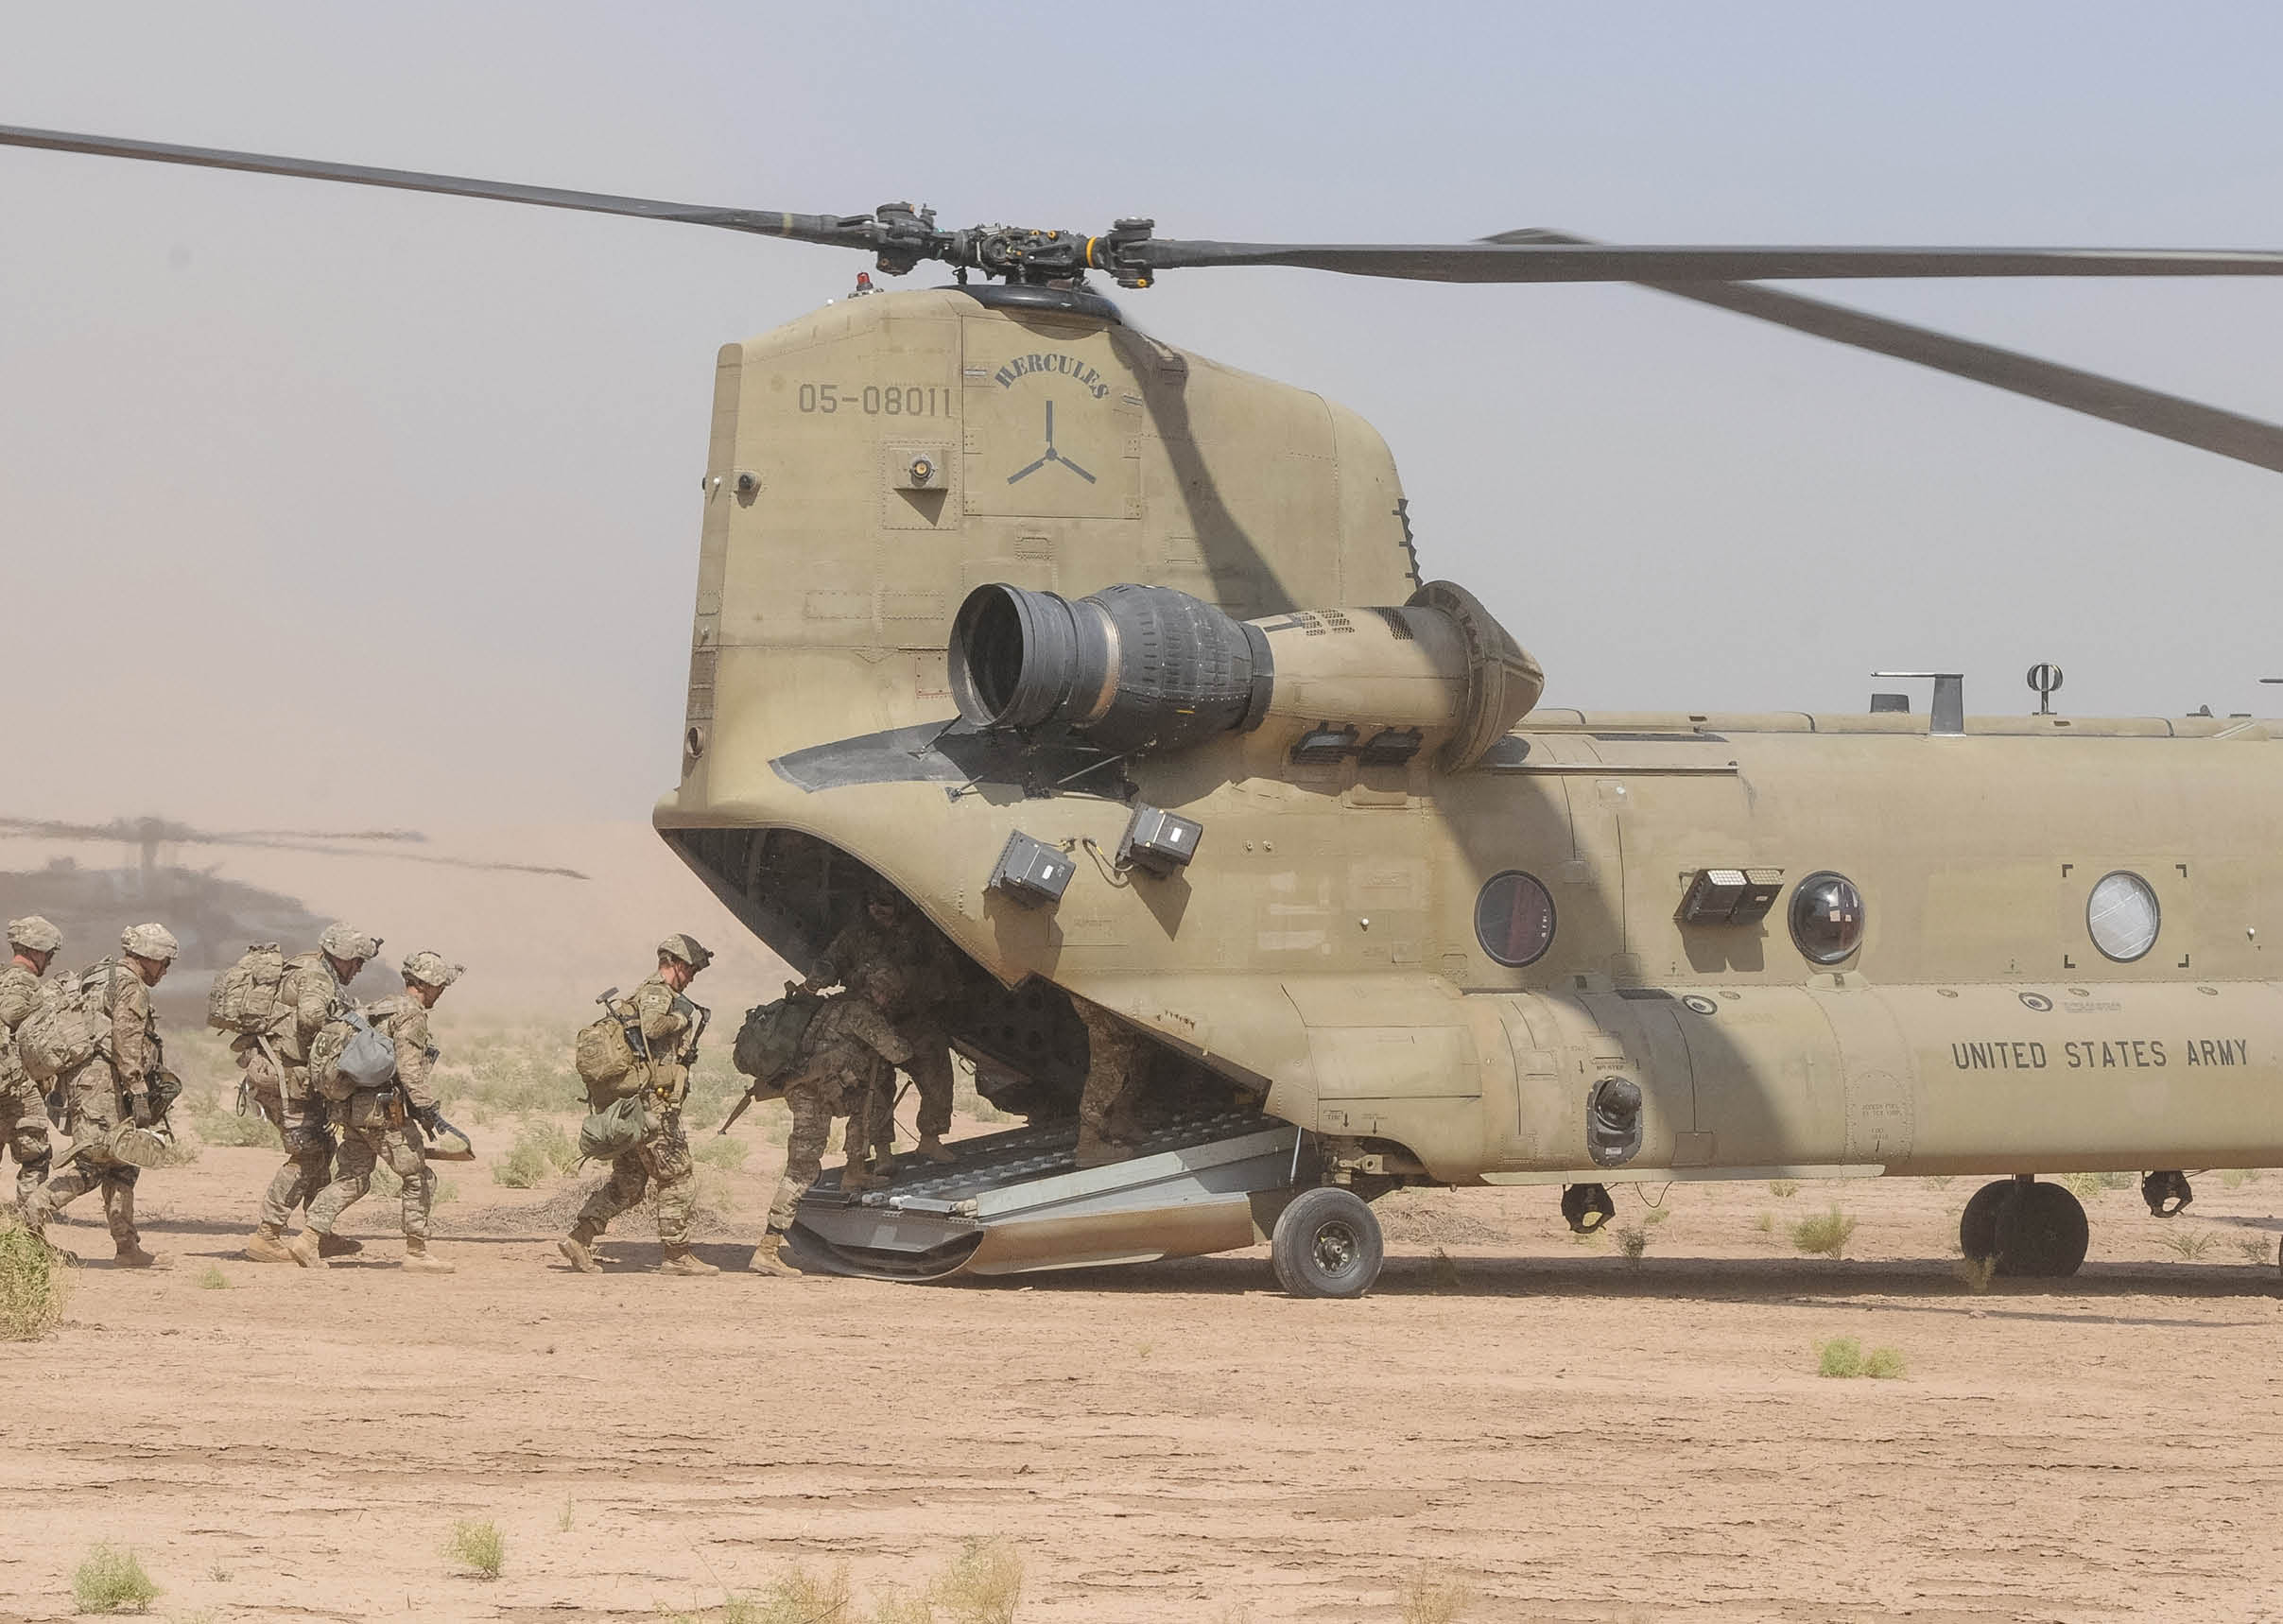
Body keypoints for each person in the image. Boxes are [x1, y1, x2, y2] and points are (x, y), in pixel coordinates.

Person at [286, 950, 462, 1273]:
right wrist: (427, 1108)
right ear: (427, 983)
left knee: (354, 1178)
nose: (443, 991)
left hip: (351, 1110)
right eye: (441, 984)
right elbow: (409, 1069)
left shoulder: (379, 1007)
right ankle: (417, 1253)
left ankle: (308, 1239)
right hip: (383, 1114)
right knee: (419, 1177)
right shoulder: (411, 1014)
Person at [559, 934, 718, 1277]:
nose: (691, 977)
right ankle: (677, 1255)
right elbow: (653, 1025)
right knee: (678, 1177)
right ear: (675, 964)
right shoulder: (658, 993)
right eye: (690, 970)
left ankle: (579, 1238)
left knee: (628, 1184)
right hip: (652, 1110)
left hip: (636, 1106)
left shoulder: (649, 992)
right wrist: (683, 1020)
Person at [21, 923, 180, 1267]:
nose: (165, 970)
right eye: (164, 962)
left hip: (90, 1081)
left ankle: (126, 1247)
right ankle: (28, 1217)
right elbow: (127, 1037)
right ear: (149, 957)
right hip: (106, 1085)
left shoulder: (99, 974)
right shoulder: (130, 984)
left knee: (123, 1164)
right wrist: (137, 1088)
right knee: (94, 1162)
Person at [751, 964, 911, 1277]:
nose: (886, 1000)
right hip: (811, 1095)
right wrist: (907, 1043)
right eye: (886, 994)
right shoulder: (861, 1013)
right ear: (878, 992)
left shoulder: (835, 1005)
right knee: (801, 1170)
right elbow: (897, 1052)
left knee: (871, 1100)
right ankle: (767, 1249)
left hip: (818, 1090)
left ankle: (854, 1171)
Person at [241, 923, 379, 1263]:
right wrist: (354, 1022)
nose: (359, 969)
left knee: (322, 1148)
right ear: (341, 956)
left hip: (292, 1076)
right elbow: (311, 1016)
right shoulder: (317, 977)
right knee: (307, 1154)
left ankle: (320, 1234)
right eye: (357, 962)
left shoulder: (311, 969)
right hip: (288, 1079)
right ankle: (267, 1235)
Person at [802, 889, 959, 1166]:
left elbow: (943, 971)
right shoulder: (856, 934)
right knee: (876, 1085)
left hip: (913, 1019)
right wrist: (820, 976)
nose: (876, 908)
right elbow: (831, 960)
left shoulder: (920, 934)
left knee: (937, 1074)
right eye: (870, 902)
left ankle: (930, 1141)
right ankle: (883, 1153)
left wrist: (911, 982)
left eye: (883, 903)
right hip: (871, 1022)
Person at [0, 916, 61, 1204]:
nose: (49, 961)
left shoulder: (3, 977)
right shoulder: (22, 982)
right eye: (49, 954)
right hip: (16, 1088)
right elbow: (11, 1017)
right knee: (36, 1156)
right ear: (37, 951)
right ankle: (29, 1233)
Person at [1073, 997, 1150, 1169]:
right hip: (1095, 990)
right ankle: (1089, 1143)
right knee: (1110, 1054)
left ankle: (1120, 1119)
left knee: (1131, 1042)